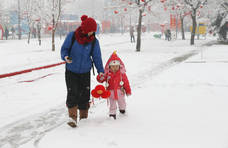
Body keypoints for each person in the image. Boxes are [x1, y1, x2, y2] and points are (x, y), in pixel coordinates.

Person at [61, 15, 104, 127]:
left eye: (93, 31)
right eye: (91, 31)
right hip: (71, 70)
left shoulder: (94, 41)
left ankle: (84, 119)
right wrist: (65, 57)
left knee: (85, 95)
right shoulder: (72, 36)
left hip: (85, 71)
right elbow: (64, 49)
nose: (92, 33)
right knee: (72, 93)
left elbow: (97, 57)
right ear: (85, 29)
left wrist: (101, 71)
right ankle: (72, 118)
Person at [97, 51, 131, 120]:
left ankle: (122, 109)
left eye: (116, 66)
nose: (115, 68)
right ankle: (112, 114)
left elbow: (126, 82)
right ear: (109, 67)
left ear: (119, 66)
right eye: (113, 66)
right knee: (112, 103)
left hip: (120, 91)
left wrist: (128, 91)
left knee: (121, 101)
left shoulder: (122, 74)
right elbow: (101, 80)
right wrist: (100, 77)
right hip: (110, 92)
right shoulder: (107, 74)